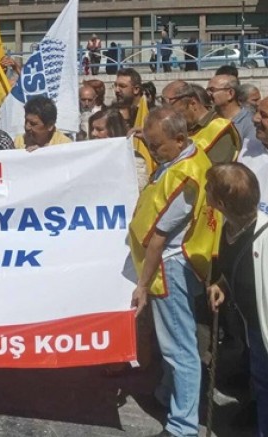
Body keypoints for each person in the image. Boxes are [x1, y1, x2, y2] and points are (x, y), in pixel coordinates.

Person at [129, 107, 219, 437]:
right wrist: (144, 135)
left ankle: (182, 426)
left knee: (179, 349)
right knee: (175, 340)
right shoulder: (190, 155)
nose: (153, 151)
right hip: (174, 262)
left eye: (156, 145)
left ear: (179, 139)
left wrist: (142, 285)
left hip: (169, 267)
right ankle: (167, 394)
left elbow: (158, 238)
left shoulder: (183, 178)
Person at [205, 163, 268, 437]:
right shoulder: (229, 227)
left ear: (220, 203)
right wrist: (223, 284)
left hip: (264, 331)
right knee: (262, 385)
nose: (204, 190)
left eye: (208, 187)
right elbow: (238, 268)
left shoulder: (265, 237)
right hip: (254, 328)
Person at [162, 80, 241, 164]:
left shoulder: (219, 128)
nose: (173, 120)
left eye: (177, 114)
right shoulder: (184, 129)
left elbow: (216, 169)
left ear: (193, 104)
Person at [208, 74, 256, 142]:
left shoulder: (250, 123)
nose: (208, 94)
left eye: (212, 90)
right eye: (207, 90)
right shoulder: (210, 119)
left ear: (230, 93)